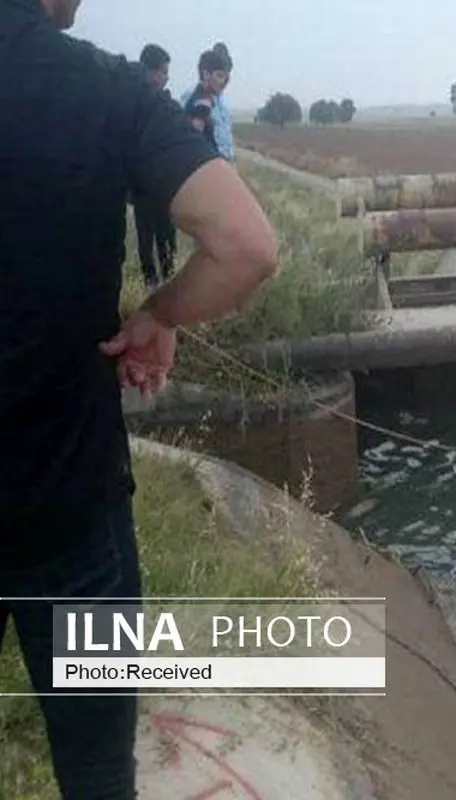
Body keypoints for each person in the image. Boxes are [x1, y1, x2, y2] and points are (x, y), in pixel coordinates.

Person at [0, 1, 279, 797]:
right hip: (69, 504)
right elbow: (247, 245)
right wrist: (159, 313)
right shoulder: (106, 89)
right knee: (94, 772)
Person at [132, 43, 178, 288]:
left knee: (165, 234)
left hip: (160, 183)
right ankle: (152, 285)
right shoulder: (133, 103)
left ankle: (168, 280)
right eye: (163, 72)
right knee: (147, 237)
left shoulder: (164, 102)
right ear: (148, 71)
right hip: (143, 183)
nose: (166, 78)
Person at [182, 41, 235, 162]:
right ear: (206, 74)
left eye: (226, 76)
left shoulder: (220, 100)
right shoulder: (196, 97)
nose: (224, 81)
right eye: (220, 75)